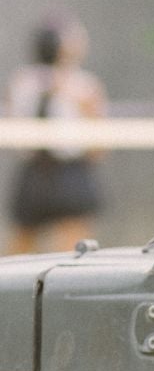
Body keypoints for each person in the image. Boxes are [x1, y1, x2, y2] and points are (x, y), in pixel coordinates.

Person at [5, 16, 107, 254]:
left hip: (46, 173)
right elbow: (98, 147)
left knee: (34, 252)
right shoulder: (85, 87)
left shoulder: (20, 81)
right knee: (72, 255)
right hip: (57, 173)